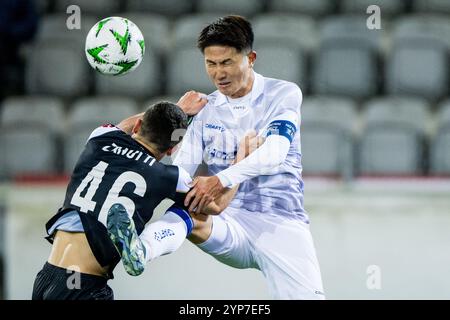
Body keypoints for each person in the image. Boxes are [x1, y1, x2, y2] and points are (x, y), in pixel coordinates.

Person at [31, 95, 251, 300]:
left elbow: (126, 125)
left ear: (138, 126)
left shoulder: (100, 138)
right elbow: (216, 205)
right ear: (171, 150)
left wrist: (179, 108)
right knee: (190, 212)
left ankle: (140, 250)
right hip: (83, 285)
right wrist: (243, 158)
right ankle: (143, 250)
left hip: (48, 277)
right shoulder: (168, 176)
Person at [172, 15, 325, 300]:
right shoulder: (205, 108)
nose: (219, 73)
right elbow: (180, 170)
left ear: (250, 57)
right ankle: (142, 249)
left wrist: (219, 180)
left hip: (280, 224)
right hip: (228, 223)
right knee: (184, 208)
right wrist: (178, 120)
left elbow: (274, 154)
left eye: (227, 62)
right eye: (211, 64)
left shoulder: (283, 93)